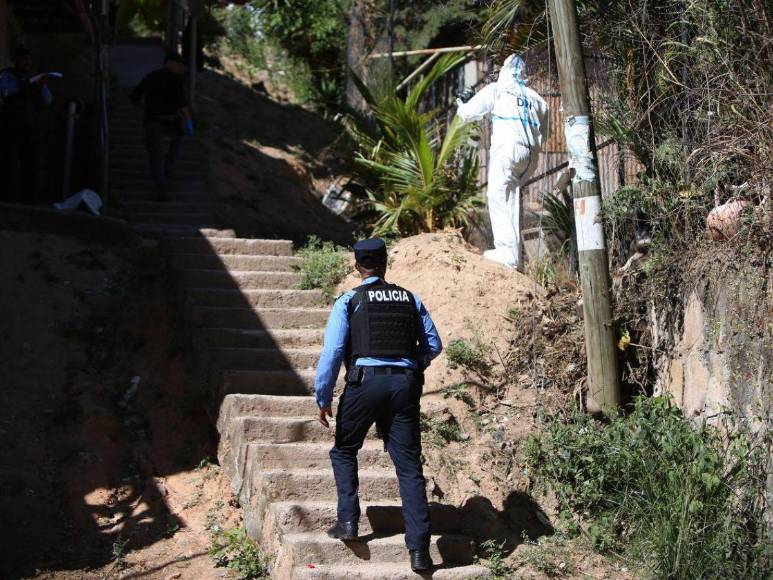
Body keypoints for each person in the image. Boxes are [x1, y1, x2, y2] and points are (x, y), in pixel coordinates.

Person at [314, 238, 443, 573]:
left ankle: (348, 522)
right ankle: (419, 551)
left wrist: (323, 398)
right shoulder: (410, 298)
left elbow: (332, 353)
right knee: (409, 467)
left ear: (357, 266)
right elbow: (433, 345)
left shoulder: (349, 300)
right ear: (386, 264)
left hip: (365, 384)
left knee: (345, 450)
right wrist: (413, 365)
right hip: (405, 387)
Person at [456, 54, 549, 271]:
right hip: (531, 156)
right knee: (511, 197)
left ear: (505, 71)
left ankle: (507, 253)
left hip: (508, 150)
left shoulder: (497, 89)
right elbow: (545, 133)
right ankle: (514, 255)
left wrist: (462, 102)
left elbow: (467, 114)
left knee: (498, 195)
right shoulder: (537, 99)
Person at [130, 53, 192, 201]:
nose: (182, 68)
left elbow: (135, 96)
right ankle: (167, 173)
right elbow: (183, 105)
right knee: (170, 148)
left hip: (153, 120)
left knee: (156, 157)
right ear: (170, 63)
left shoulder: (152, 76)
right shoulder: (176, 80)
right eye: (179, 65)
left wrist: (145, 109)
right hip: (169, 120)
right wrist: (188, 121)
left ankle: (162, 187)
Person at [0, 45, 53, 204]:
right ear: (16, 60)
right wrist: (27, 83)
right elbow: (6, 91)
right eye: (24, 59)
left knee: (30, 166)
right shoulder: (6, 75)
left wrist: (42, 85)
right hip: (11, 127)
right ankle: (7, 199)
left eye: (29, 59)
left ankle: (28, 200)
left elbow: (47, 101)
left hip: (30, 128)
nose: (27, 62)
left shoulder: (33, 79)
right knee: (9, 165)